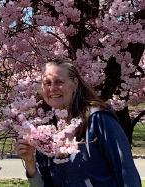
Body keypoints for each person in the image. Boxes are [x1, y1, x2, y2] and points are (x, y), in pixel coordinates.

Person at [15, 58, 141, 187]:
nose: (52, 88)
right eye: (47, 83)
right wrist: (30, 164)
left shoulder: (98, 119)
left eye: (59, 82)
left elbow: (126, 171)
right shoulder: (44, 131)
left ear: (74, 83)